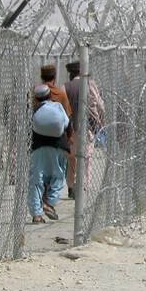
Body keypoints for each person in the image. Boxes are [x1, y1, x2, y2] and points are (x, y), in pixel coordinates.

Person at [63, 61, 105, 199]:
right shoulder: (89, 84)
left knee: (71, 158)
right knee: (86, 158)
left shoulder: (66, 86)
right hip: (87, 127)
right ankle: (84, 185)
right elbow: (98, 104)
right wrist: (101, 120)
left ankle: (71, 185)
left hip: (69, 128)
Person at [29, 85, 70, 223]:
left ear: (36, 98)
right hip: (59, 146)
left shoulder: (34, 110)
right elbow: (66, 124)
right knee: (58, 176)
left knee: (36, 180)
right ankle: (50, 204)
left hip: (38, 147)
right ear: (50, 95)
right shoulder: (58, 106)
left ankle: (36, 214)